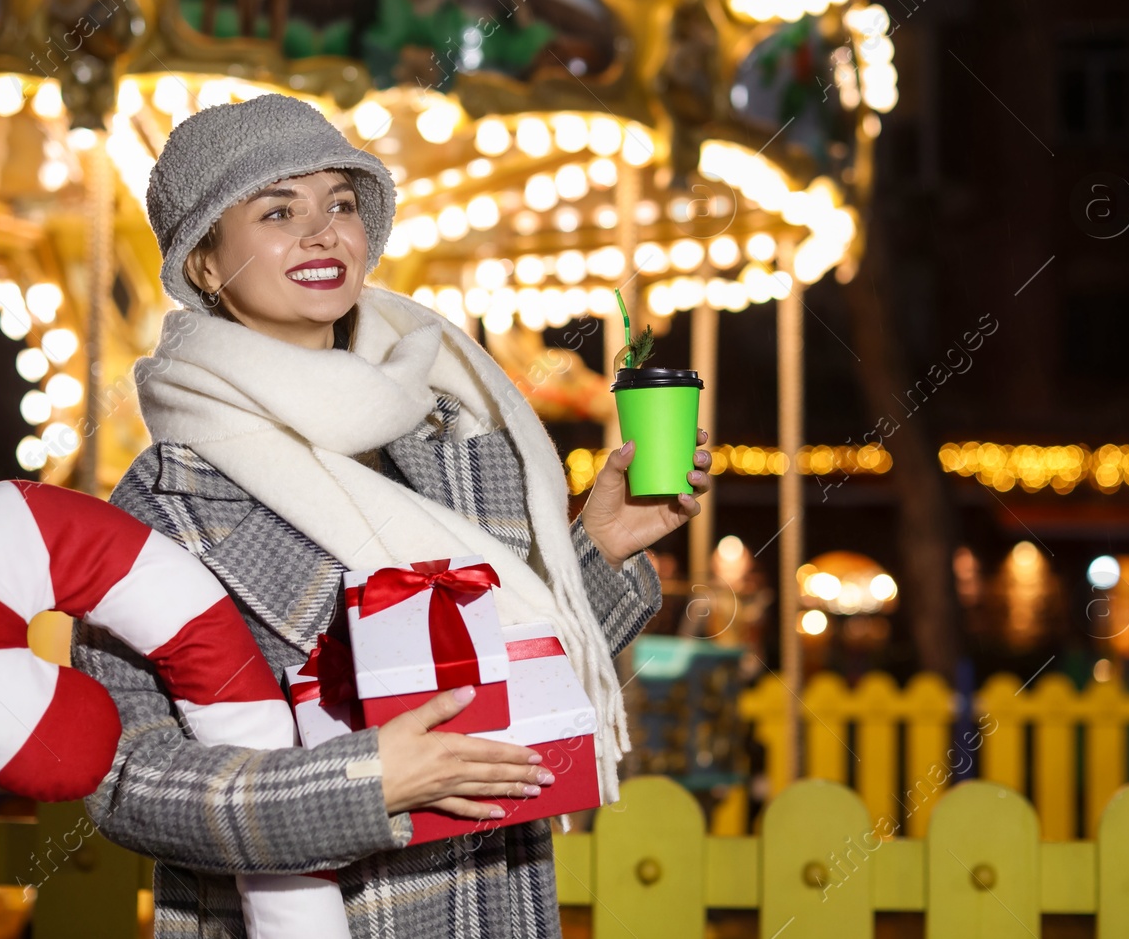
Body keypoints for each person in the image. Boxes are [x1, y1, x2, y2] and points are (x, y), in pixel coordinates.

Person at [72, 94, 713, 938]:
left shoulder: (457, 423)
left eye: (340, 203)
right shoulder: (169, 499)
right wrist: (364, 782)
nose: (323, 232)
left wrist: (596, 544)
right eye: (277, 210)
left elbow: (513, 669)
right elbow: (123, 776)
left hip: (493, 900)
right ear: (202, 261)